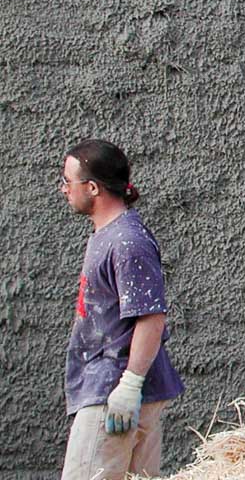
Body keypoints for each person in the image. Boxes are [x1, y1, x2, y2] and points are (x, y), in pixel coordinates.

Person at [59, 139, 183, 480]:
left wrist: (129, 387)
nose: (63, 189)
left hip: (115, 394)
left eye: (68, 181)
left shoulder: (127, 242)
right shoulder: (110, 235)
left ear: (93, 187)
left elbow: (151, 317)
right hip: (114, 389)